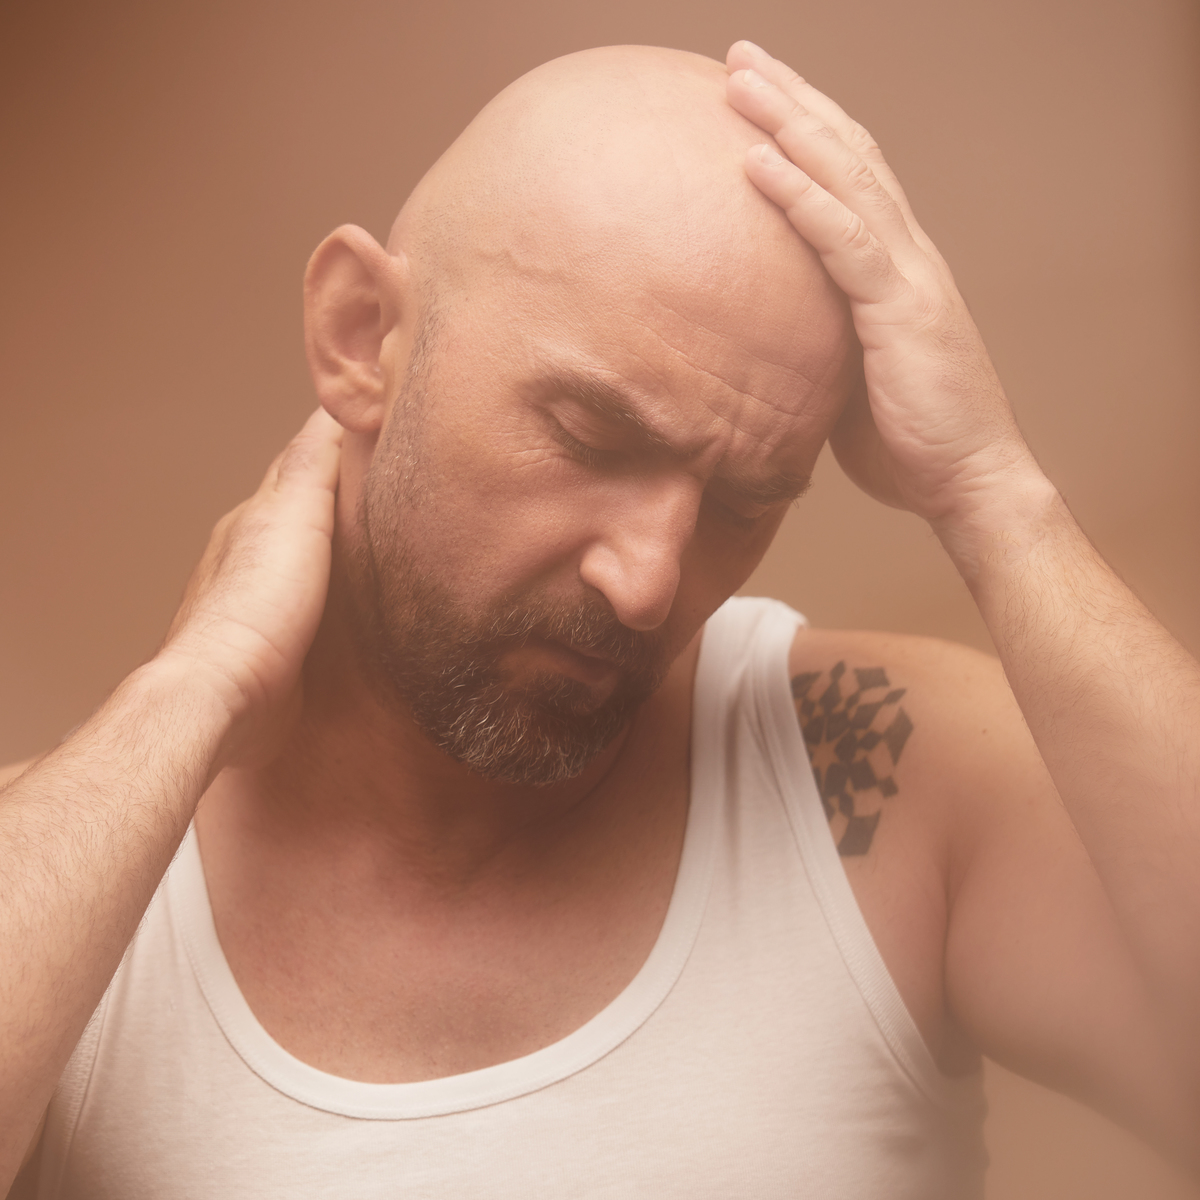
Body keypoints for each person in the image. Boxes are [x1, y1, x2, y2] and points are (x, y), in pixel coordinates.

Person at [2, 39, 1198, 1199]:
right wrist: (194, 686)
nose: (647, 583)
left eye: (742, 505)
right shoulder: (80, 862)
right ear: (362, 333)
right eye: (591, 438)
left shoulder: (886, 779)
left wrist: (995, 496)